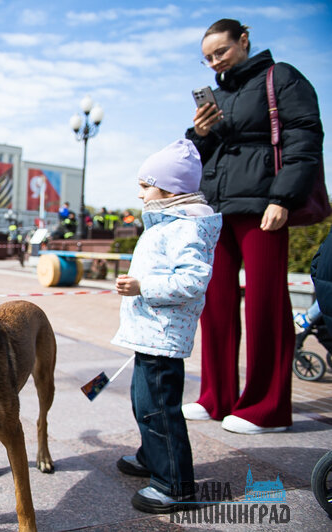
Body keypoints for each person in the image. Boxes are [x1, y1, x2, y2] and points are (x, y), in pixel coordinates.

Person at [184, 18, 323, 434]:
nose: (214, 62)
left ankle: (267, 408)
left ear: (243, 40)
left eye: (221, 52)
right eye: (207, 57)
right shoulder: (221, 93)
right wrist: (200, 132)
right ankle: (217, 397)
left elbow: (304, 137)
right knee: (217, 304)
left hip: (264, 204)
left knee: (266, 304)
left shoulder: (281, 78)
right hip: (219, 207)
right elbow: (199, 154)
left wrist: (283, 197)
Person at [112, 139, 222, 513]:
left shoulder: (187, 228)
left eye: (146, 185)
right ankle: (151, 457)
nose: (140, 193)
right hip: (151, 333)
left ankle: (174, 484)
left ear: (171, 189)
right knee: (145, 403)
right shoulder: (169, 224)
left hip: (163, 338)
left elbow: (192, 281)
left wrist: (143, 287)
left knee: (159, 408)